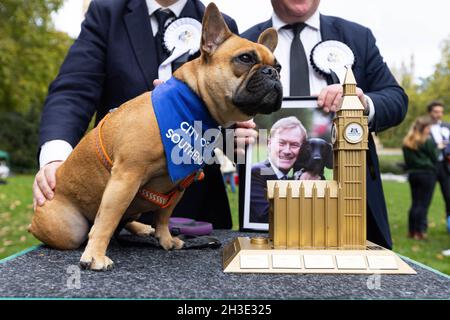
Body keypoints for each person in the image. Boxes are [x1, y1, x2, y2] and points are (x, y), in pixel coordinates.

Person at [33, 0, 258, 229]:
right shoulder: (107, 12)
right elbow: (74, 89)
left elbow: (230, 107)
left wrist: (235, 136)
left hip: (195, 206)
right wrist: (55, 158)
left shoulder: (222, 24)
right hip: (114, 203)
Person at [240, 0, 408, 249]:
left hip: (351, 211)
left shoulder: (356, 36)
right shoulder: (244, 43)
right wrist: (230, 130)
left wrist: (360, 102)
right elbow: (217, 111)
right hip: (266, 220)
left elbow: (396, 99)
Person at [250, 116, 306, 223]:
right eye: (282, 143)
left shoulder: (290, 178)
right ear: (269, 143)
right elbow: (265, 217)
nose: (287, 151)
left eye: (294, 145)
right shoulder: (257, 172)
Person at [402, 116, 438, 240]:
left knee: (415, 203)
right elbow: (435, 157)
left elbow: (407, 161)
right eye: (428, 127)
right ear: (423, 128)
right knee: (423, 204)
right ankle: (420, 232)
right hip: (427, 174)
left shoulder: (407, 141)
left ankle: (411, 231)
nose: (429, 130)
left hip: (413, 174)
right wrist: (439, 148)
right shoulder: (427, 141)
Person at [427, 101, 450, 234]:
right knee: (425, 199)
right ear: (430, 112)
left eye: (440, 112)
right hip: (430, 166)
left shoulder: (447, 126)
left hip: (445, 167)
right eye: (436, 112)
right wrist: (437, 146)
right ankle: (420, 230)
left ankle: (449, 226)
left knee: (449, 197)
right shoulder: (423, 127)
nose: (439, 114)